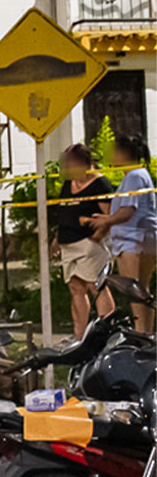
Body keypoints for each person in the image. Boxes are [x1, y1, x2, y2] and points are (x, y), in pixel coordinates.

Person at [90, 135, 156, 333]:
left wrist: (105, 221)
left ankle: (140, 334)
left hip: (132, 241)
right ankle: (147, 334)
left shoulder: (134, 176)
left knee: (134, 291)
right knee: (144, 291)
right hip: (144, 238)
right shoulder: (139, 175)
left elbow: (127, 211)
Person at [54, 144, 116, 339]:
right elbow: (64, 212)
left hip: (90, 244)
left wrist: (96, 237)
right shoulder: (68, 185)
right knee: (75, 287)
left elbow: (108, 216)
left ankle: (106, 331)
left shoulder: (100, 184)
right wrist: (57, 238)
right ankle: (80, 336)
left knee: (96, 285)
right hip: (68, 243)